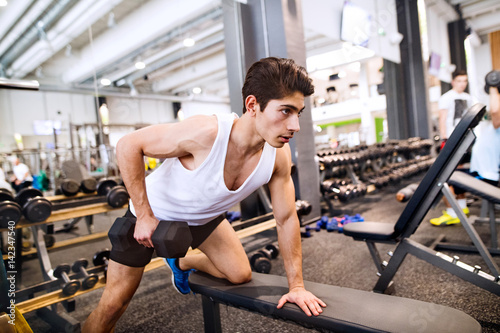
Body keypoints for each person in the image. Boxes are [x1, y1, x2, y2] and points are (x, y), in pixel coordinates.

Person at [83, 57, 326, 332]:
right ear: (252, 105)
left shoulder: (279, 156)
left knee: (239, 274)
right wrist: (144, 215)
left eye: (299, 113)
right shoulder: (206, 133)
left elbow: (286, 218)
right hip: (151, 215)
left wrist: (296, 287)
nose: (295, 125)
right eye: (285, 111)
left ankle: (180, 260)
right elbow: (128, 145)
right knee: (114, 306)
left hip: (203, 219)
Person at [430, 70, 475, 226]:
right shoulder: (446, 97)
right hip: (451, 140)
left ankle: (459, 209)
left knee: (458, 175)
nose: (462, 84)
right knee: (446, 175)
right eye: (459, 80)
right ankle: (454, 210)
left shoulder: (468, 98)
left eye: (465, 81)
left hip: (465, 141)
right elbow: (442, 121)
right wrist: (445, 141)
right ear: (453, 81)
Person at [469, 75, 500, 186]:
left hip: (488, 168)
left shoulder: (497, 116)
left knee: (449, 183)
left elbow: (496, 112)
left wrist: (493, 88)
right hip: (485, 165)